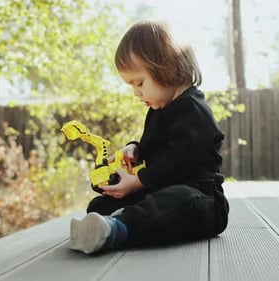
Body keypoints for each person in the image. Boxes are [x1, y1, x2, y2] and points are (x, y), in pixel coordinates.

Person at [69, 21, 230, 254]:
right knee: (100, 204)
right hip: (160, 188)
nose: (136, 92)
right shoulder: (158, 111)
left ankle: (118, 229)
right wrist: (135, 149)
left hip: (201, 198)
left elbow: (178, 161)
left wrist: (140, 181)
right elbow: (156, 149)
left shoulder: (193, 111)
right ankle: (109, 223)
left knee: (178, 201)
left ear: (168, 67)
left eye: (139, 83)